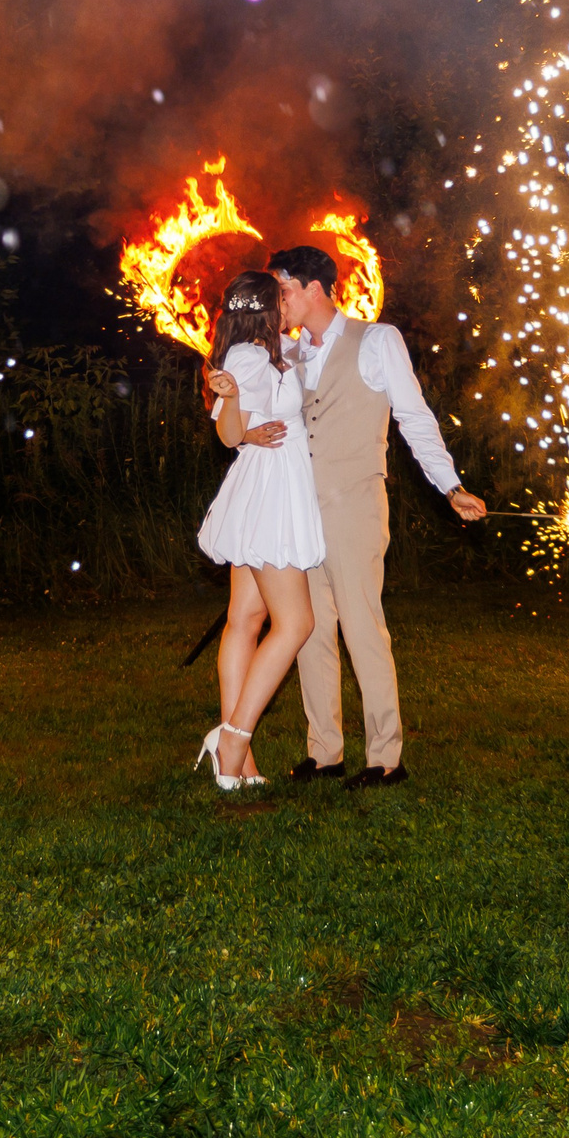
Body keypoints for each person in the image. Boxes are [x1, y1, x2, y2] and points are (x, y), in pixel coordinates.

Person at [210, 244, 485, 790]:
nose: (276, 302)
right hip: (297, 512)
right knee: (309, 632)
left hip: (355, 504)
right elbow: (242, 391)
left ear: (313, 289)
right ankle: (325, 751)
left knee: (363, 627)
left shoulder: (377, 341)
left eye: (283, 291)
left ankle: (385, 758)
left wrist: (449, 485)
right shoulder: (283, 351)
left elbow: (413, 416)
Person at [192, 272, 326, 791]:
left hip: (267, 481)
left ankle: (238, 757)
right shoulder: (248, 357)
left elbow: (239, 429)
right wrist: (226, 398)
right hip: (270, 489)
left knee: (245, 619)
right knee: (295, 624)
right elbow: (228, 436)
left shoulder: (270, 353)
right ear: (268, 310)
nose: (288, 306)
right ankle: (233, 740)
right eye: (282, 299)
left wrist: (238, 414)